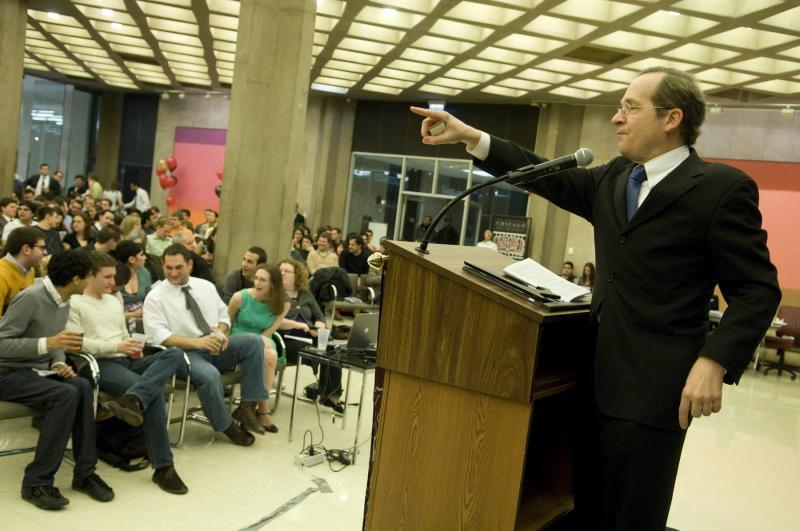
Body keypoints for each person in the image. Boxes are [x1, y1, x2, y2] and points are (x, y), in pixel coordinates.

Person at [411, 66, 781, 530]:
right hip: (591, 380)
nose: (616, 118)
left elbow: (756, 290)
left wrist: (714, 361)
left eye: (629, 106)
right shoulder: (616, 177)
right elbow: (545, 176)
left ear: (671, 118)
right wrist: (474, 138)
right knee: (588, 508)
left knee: (632, 516)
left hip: (654, 392)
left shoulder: (720, 189)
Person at [0, 250, 116, 510]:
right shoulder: (30, 298)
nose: (91, 281)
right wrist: (47, 344)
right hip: (7, 374)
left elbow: (58, 343)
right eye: (88, 276)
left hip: (36, 371)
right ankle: (36, 482)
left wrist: (59, 362)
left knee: (83, 386)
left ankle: (85, 473)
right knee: (65, 394)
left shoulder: (64, 299)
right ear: (76, 278)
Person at [67, 251, 188, 494]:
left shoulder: (113, 301)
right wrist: (117, 346)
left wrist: (131, 345)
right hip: (101, 364)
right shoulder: (75, 303)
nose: (114, 282)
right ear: (90, 276)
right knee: (153, 395)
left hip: (125, 358)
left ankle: (133, 400)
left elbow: (122, 333)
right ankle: (164, 467)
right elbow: (76, 344)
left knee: (173, 354)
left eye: (114, 277)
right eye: (108, 277)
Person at [143, 244, 267, 443]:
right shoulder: (155, 297)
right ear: (162, 265)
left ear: (190, 264)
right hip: (182, 354)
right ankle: (226, 425)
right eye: (168, 268)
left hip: (214, 345)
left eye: (179, 267)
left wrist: (220, 332)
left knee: (253, 341)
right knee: (210, 375)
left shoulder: (206, 286)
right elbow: (158, 337)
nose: (173, 273)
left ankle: (247, 407)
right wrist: (199, 343)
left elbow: (224, 315)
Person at [228, 264, 289, 433]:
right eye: (256, 278)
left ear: (273, 285)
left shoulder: (283, 303)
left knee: (270, 355)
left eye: (263, 280)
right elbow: (226, 322)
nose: (258, 283)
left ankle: (254, 408)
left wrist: (260, 343)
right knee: (267, 354)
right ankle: (261, 411)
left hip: (264, 339)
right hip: (238, 341)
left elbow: (271, 330)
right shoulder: (240, 297)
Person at [277, 259, 342, 411]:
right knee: (315, 350)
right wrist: (301, 326)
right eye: (280, 270)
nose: (282, 273)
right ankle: (322, 386)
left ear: (297, 276)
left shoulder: (306, 294)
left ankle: (331, 396)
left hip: (309, 335)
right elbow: (275, 320)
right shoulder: (275, 294)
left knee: (332, 349)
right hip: (286, 338)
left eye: (287, 271)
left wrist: (319, 325)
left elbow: (320, 317)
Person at [0, 227, 45, 317]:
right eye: (42, 248)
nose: (45, 252)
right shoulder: (2, 274)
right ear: (26, 249)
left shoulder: (29, 270)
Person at [114, 240, 152, 328]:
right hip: (121, 319)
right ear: (131, 259)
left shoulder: (144, 273)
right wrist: (134, 314)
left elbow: (149, 297)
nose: (145, 258)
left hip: (144, 316)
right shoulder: (115, 276)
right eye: (142, 255)